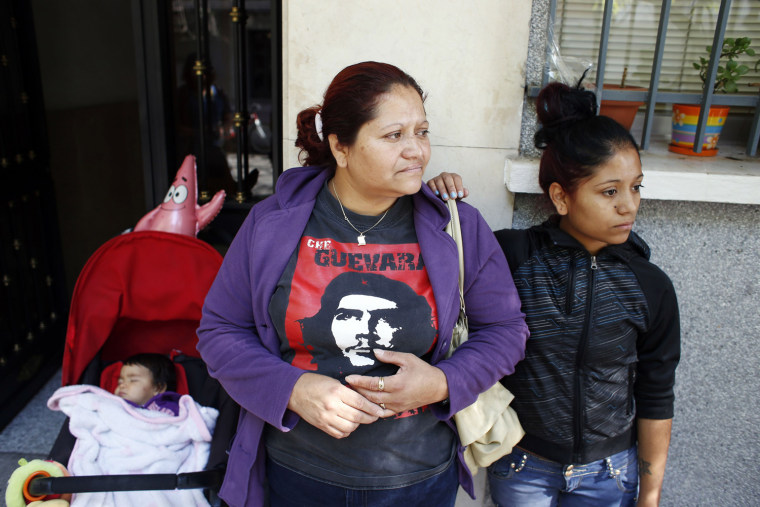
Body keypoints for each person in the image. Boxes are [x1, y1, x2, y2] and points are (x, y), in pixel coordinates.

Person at [196, 61, 529, 506]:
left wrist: (442, 382)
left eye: (422, 132)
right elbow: (219, 331)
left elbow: (507, 331)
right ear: (340, 147)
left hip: (418, 481)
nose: (418, 151)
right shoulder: (273, 224)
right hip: (297, 476)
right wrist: (291, 389)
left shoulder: (456, 227)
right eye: (394, 136)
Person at [427, 81, 681, 506]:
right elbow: (437, 260)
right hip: (524, 467)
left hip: (611, 474)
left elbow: (657, 391)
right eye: (610, 191)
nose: (629, 206)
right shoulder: (513, 256)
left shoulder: (650, 285)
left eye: (636, 187)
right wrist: (432, 197)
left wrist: (650, 494)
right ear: (561, 197)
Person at [115, 353, 181, 416]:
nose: (122, 386)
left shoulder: (166, 410)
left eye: (133, 380)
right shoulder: (113, 404)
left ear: (158, 388)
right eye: (120, 382)